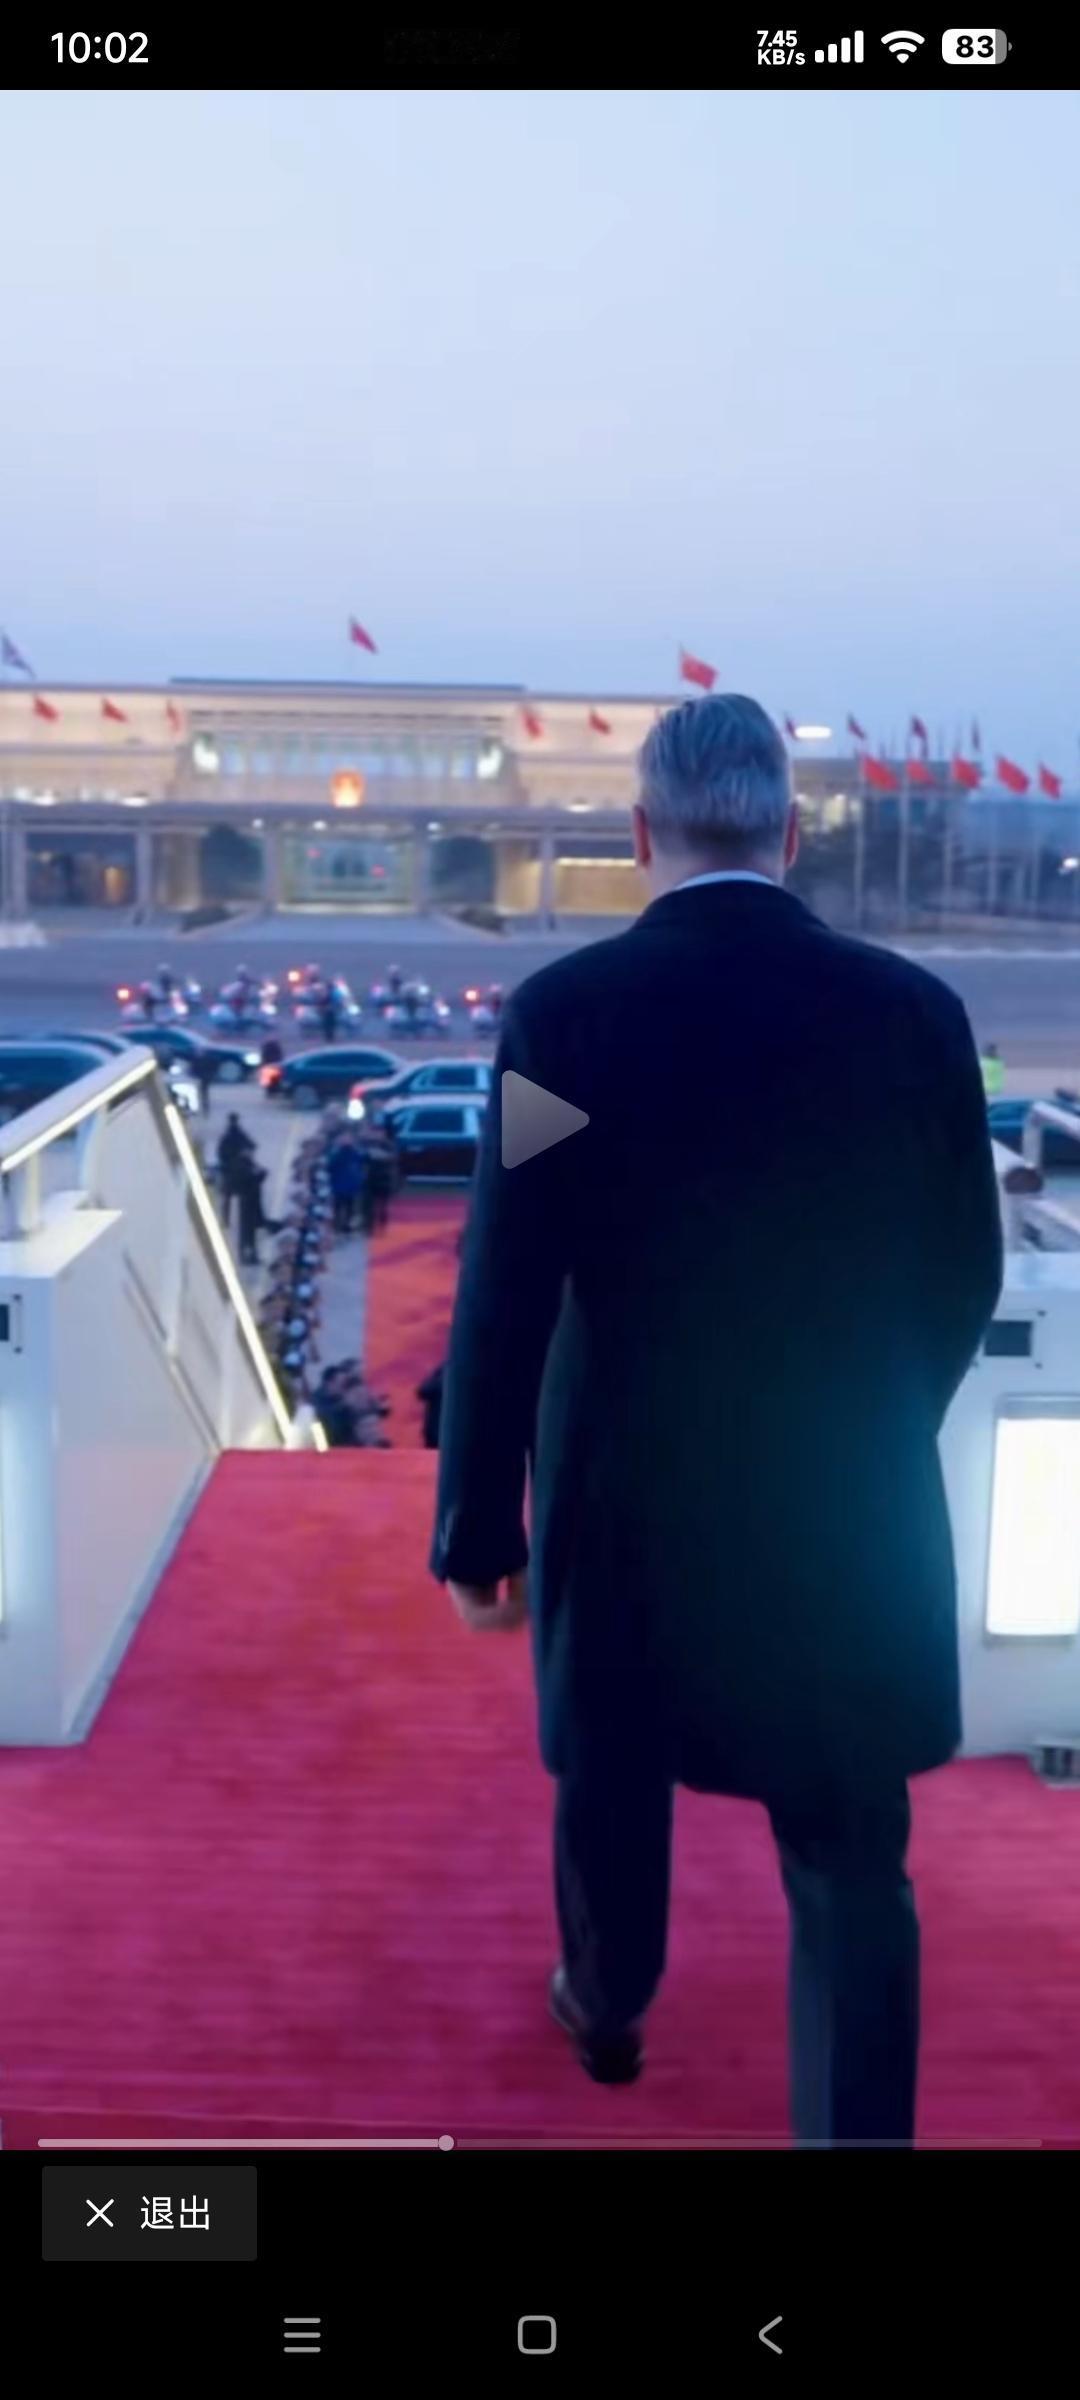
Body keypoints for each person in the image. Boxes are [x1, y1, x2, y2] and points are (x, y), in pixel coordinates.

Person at [430, 692, 1003, 2141]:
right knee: (852, 1846)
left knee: (613, 1778)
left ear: (640, 833)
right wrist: (882, 1417)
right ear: (790, 834)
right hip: (845, 1499)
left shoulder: (566, 1021)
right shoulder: (915, 1019)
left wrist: (478, 1527)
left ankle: (607, 2005)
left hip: (628, 1493)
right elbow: (963, 1269)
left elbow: (511, 1279)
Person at [216, 1112, 256, 1230]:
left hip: (229, 1171)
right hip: (239, 1171)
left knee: (227, 1197)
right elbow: (252, 1146)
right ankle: (243, 1221)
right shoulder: (240, 1134)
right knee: (242, 1197)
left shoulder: (227, 1136)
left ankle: (225, 1220)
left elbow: (220, 1153)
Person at [328, 1135, 366, 1235]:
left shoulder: (338, 1154)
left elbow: (330, 1167)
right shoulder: (352, 1154)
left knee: (342, 1208)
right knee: (346, 1208)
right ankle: (342, 1228)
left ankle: (339, 1228)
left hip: (342, 1186)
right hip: (346, 1187)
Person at [417, 1360, 445, 1449]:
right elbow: (422, 1391)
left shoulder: (445, 1371)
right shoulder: (443, 1370)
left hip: (440, 1429)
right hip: (435, 1429)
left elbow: (424, 1390)